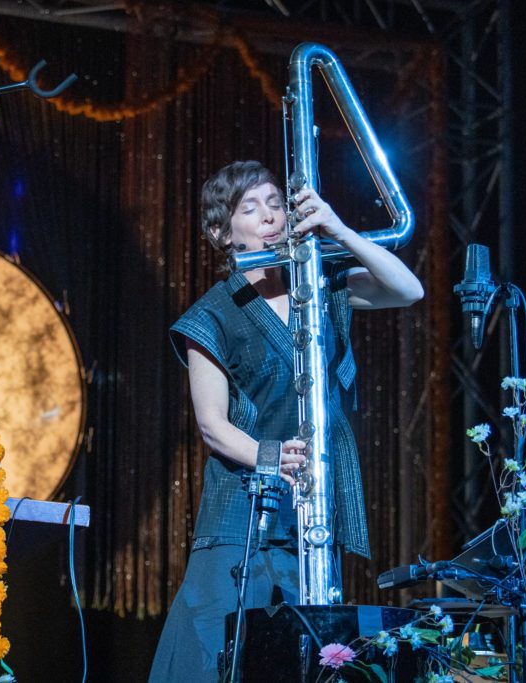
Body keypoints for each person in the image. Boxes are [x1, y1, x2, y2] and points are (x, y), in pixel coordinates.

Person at [148, 160, 423, 682]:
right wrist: (272, 458)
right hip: (242, 511)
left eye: (276, 204)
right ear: (221, 233)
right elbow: (212, 424)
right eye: (251, 209)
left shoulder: (318, 286)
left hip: (310, 512)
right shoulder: (212, 315)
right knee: (212, 656)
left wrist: (338, 230)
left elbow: (408, 290)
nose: (270, 216)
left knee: (307, 658)